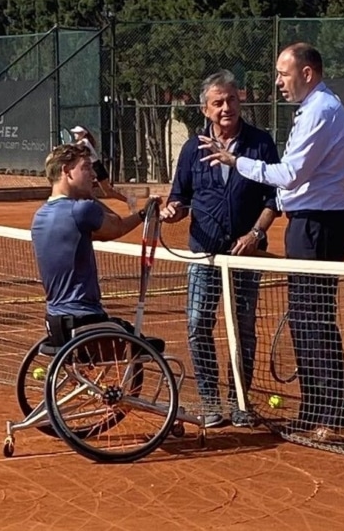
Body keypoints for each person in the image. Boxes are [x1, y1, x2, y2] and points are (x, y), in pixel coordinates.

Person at [199, 43, 344, 443]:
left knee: (314, 318)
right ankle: (314, 410)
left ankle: (335, 417)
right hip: (307, 222)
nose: (278, 82)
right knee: (303, 319)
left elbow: (290, 174)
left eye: (284, 74)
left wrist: (235, 162)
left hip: (320, 224)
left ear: (307, 73)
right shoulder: (312, 109)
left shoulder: (320, 110)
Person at [160, 69, 280, 429]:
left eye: (230, 99)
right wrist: (173, 211)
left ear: (239, 100)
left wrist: (256, 234)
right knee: (198, 324)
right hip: (204, 254)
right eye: (218, 103)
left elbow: (274, 198)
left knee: (243, 328)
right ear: (205, 109)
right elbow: (180, 197)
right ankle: (211, 402)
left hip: (246, 255)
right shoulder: (191, 149)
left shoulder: (261, 143)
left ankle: (240, 402)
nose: (226, 107)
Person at [31, 142, 158, 345]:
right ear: (66, 171)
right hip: (86, 321)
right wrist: (144, 213)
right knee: (151, 346)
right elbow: (117, 226)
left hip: (55, 323)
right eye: (86, 168)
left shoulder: (40, 216)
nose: (93, 175)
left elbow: (101, 234)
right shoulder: (82, 210)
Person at [70, 125, 132, 206]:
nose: (75, 134)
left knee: (108, 192)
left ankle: (129, 201)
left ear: (82, 134)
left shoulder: (84, 141)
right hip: (93, 166)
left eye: (77, 133)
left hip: (96, 167)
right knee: (91, 190)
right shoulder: (83, 142)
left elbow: (76, 146)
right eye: (75, 133)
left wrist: (60, 148)